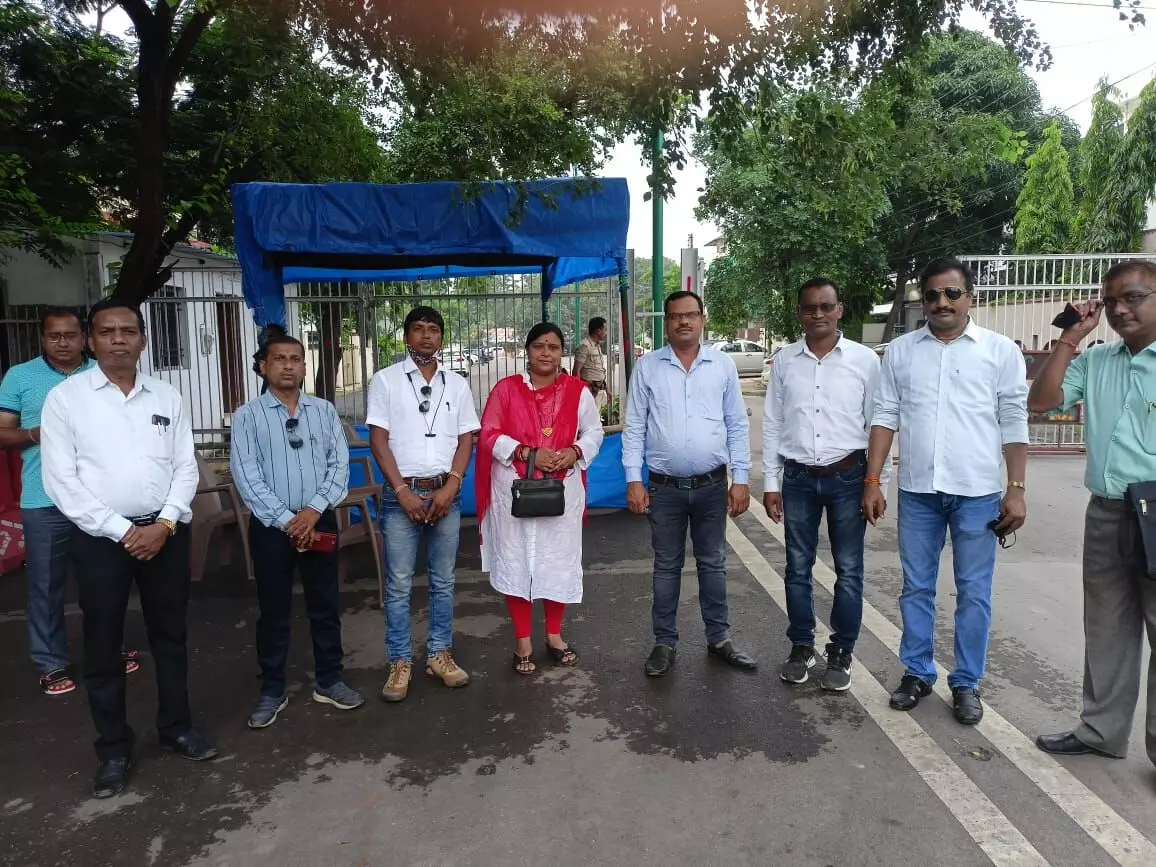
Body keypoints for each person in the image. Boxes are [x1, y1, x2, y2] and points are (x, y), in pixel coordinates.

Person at [40, 298, 215, 798]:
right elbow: (62, 481)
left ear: (143, 340)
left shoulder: (167, 396)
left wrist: (164, 523)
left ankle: (177, 727)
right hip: (100, 540)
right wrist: (122, 531)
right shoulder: (66, 400)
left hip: (165, 534)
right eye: (107, 331)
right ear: (90, 341)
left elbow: (185, 466)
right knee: (102, 644)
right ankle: (114, 749)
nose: (119, 339)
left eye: (128, 331)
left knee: (170, 635)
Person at [862, 257, 1029, 725]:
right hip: (919, 492)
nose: (941, 302)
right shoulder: (901, 352)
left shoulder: (999, 352)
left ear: (970, 297)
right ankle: (917, 672)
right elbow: (885, 416)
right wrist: (872, 480)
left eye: (952, 293)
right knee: (916, 587)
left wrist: (1016, 488)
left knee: (974, 592)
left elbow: (1014, 420)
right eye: (932, 294)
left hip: (977, 494)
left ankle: (966, 682)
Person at [1027, 261, 1156, 766]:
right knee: (1105, 627)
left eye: (1134, 297)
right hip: (1107, 512)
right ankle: (1101, 731)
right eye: (1111, 301)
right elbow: (1042, 402)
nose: (1120, 309)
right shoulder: (1098, 360)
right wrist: (1070, 338)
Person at [0, 309, 140, 695]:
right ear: (42, 339)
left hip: (102, 500)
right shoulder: (20, 377)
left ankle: (108, 652)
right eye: (53, 336)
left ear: (85, 339)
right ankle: (51, 663)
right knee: (46, 586)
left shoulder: (103, 373)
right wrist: (38, 433)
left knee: (105, 582)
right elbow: (2, 434)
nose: (62, 343)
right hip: (44, 500)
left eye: (70, 335)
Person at [763, 278, 889, 692]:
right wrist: (771, 482)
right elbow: (773, 422)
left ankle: (841, 651)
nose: (817, 314)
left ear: (839, 309)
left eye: (826, 306)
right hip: (798, 479)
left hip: (849, 477)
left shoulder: (864, 361)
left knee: (848, 570)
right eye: (809, 307)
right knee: (797, 567)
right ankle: (802, 646)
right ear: (799, 312)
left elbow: (879, 423)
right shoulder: (785, 361)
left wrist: (876, 483)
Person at [231, 333, 363, 729]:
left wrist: (312, 511)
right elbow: (246, 475)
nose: (288, 365)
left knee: (325, 604)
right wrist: (288, 520)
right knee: (274, 610)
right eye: (279, 359)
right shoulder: (248, 416)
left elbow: (339, 465)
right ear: (263, 367)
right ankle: (272, 689)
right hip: (272, 528)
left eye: (295, 359)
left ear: (305, 367)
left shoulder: (323, 411)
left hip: (318, 521)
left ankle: (330, 680)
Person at [623, 290, 756, 677]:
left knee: (713, 564)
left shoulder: (722, 365)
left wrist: (741, 478)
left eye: (691, 314)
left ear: (702, 319)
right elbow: (634, 427)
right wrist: (633, 479)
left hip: (712, 487)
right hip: (663, 489)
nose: (684, 321)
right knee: (666, 566)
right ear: (666, 322)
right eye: (676, 315)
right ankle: (664, 642)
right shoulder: (648, 367)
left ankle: (719, 638)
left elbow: (736, 424)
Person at [477, 323, 603, 674]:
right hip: (513, 491)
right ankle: (522, 641)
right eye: (538, 346)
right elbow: (488, 433)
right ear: (527, 351)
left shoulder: (578, 391)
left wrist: (574, 451)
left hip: (562, 490)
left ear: (562, 353)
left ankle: (553, 636)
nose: (546, 353)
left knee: (557, 562)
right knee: (516, 561)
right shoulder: (506, 390)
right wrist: (526, 452)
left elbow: (594, 432)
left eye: (553, 347)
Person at [367, 306, 479, 702]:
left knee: (443, 581)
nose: (426, 335)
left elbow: (466, 439)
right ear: (406, 337)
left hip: (446, 494)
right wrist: (401, 491)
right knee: (399, 584)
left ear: (442, 338)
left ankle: (439, 654)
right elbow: (378, 440)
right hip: (402, 496)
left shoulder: (457, 384)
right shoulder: (386, 381)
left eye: (433, 329)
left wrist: (452, 486)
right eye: (418, 329)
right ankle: (400, 662)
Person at [572, 316, 609, 410]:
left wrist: (607, 389)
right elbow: (576, 371)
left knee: (596, 416)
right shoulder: (585, 346)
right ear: (598, 331)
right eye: (605, 330)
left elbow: (598, 371)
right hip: (589, 391)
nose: (606, 333)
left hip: (598, 390)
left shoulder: (596, 346)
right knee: (590, 417)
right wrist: (578, 393)